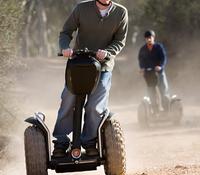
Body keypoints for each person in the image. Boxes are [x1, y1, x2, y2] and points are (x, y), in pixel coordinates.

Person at [52, 0, 128, 157]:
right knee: (68, 99)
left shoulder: (121, 12)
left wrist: (108, 52)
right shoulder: (82, 8)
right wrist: (65, 47)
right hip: (79, 64)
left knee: (95, 107)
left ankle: (89, 142)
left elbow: (120, 40)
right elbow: (66, 32)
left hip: (103, 67)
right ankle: (61, 142)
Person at [138, 30, 170, 114]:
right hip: (149, 74)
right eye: (147, 38)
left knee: (163, 90)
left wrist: (160, 66)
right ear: (145, 39)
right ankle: (155, 111)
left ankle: (167, 110)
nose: (149, 39)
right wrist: (142, 68)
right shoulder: (143, 49)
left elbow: (163, 58)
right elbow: (141, 60)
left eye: (150, 37)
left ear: (153, 38)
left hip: (159, 72)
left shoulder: (158, 47)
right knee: (151, 92)